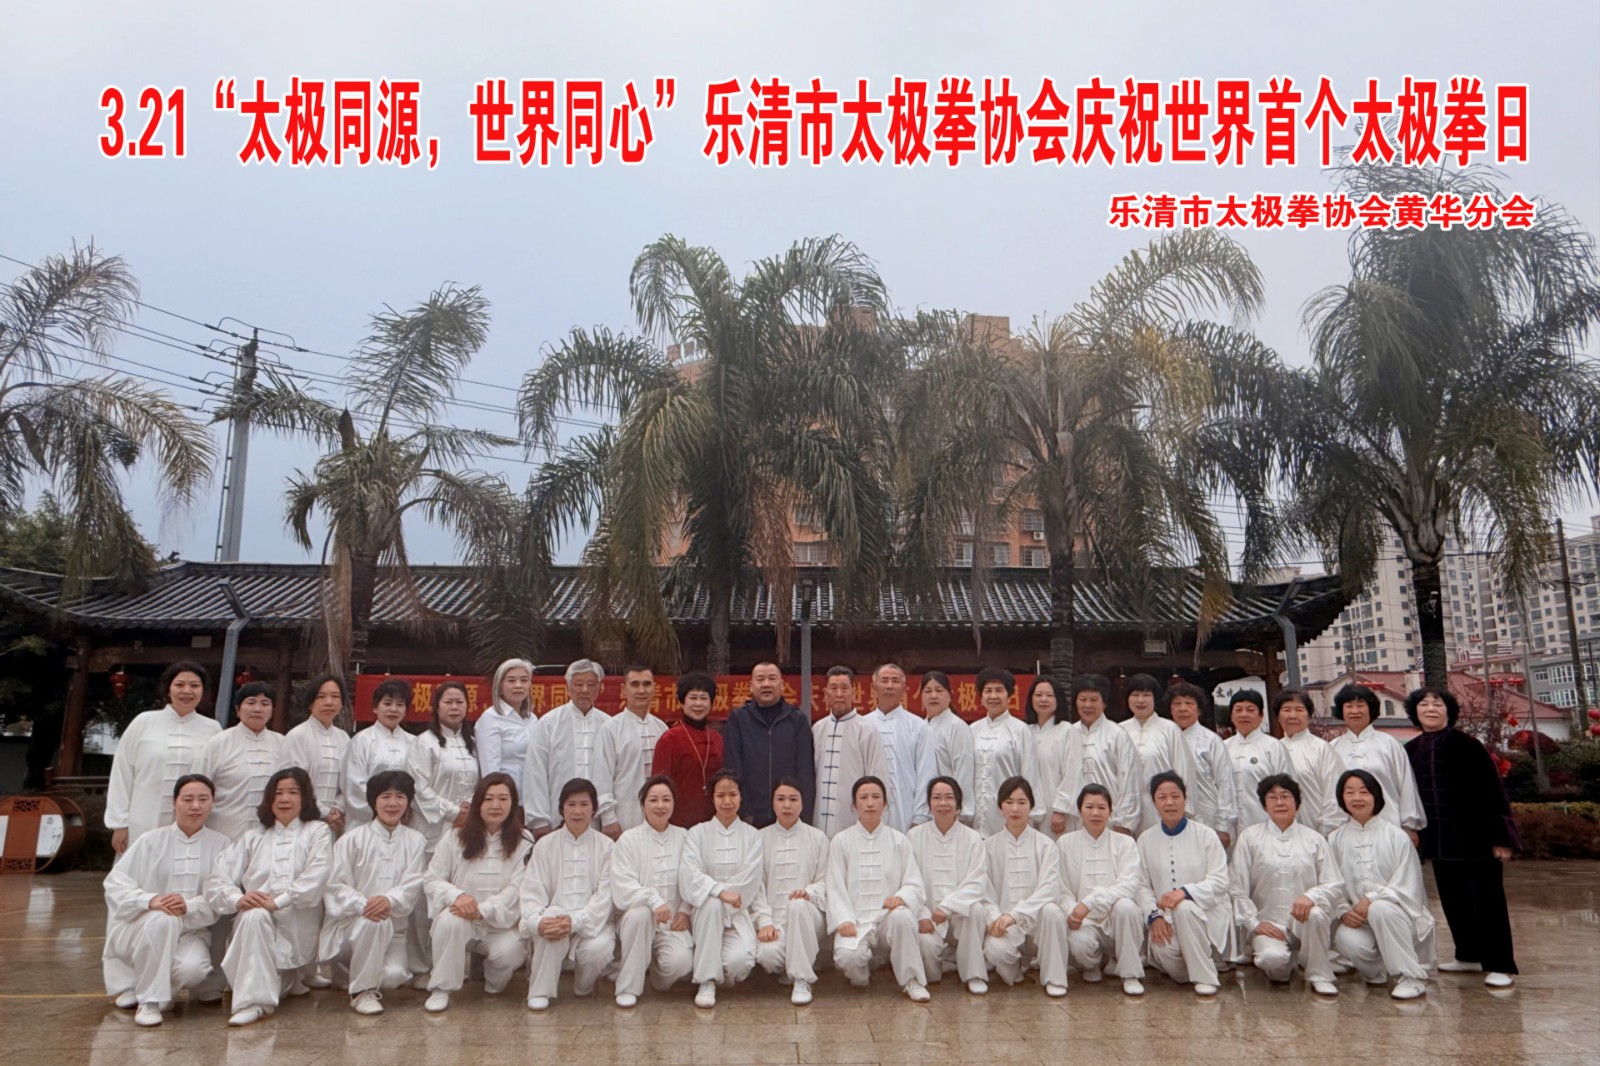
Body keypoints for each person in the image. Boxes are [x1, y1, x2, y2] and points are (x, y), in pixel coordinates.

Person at [1404, 686, 1519, 988]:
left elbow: (1493, 791)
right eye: (1423, 705)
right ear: (1415, 712)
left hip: (1476, 838)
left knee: (1488, 902)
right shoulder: (1410, 750)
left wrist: (1502, 838)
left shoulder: (1468, 745)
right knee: (1453, 900)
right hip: (1438, 840)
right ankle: (1468, 955)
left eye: (1437, 704)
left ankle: (1500, 964)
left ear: (1449, 711)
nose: (1430, 709)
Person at [204, 767, 335, 1026]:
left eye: (293, 792)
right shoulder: (253, 837)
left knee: (278, 976)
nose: (284, 799)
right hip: (253, 926)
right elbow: (216, 879)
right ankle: (253, 1003)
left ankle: (288, 980)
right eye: (278, 793)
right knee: (254, 915)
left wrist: (277, 902)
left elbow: (317, 875)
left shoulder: (317, 831)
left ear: (305, 797)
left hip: (296, 927)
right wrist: (237, 898)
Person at [102, 774, 230, 1026]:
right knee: (164, 919)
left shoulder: (221, 844)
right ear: (174, 803)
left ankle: (157, 991)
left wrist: (188, 906)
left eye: (203, 799)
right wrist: (151, 901)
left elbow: (222, 894)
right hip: (143, 928)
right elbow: (115, 884)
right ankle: (149, 1002)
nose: (195, 806)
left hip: (190, 932)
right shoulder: (150, 841)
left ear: (212, 803)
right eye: (188, 799)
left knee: (194, 970)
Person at [317, 769, 427, 1015]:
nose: (392, 803)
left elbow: (414, 883)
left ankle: (355, 973)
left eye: (400, 796)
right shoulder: (351, 839)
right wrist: (364, 905)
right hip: (351, 926)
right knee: (373, 921)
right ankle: (361, 992)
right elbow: (335, 885)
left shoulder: (416, 840)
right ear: (373, 801)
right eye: (385, 796)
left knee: (393, 977)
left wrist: (388, 900)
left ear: (408, 801)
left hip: (394, 930)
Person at [422, 772, 533, 1012]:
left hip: (500, 922)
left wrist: (482, 910)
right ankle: (441, 988)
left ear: (513, 803)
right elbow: (432, 878)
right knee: (449, 922)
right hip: (462, 916)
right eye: (488, 798)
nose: (495, 805)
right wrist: (457, 897)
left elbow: (518, 887)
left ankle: (492, 982)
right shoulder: (455, 837)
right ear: (478, 803)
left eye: (503, 799)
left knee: (510, 954)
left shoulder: (525, 841)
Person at [1228, 774, 1345, 996]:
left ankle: (1319, 974)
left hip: (1304, 923)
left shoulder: (1314, 839)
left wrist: (1310, 897)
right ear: (1264, 805)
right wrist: (1254, 923)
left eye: (1285, 796)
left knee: (1316, 913)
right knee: (1273, 963)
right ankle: (1289, 957)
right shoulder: (1250, 837)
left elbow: (1334, 883)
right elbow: (1237, 886)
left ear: (1297, 803)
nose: (1279, 802)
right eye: (1272, 797)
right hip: (1269, 924)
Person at [1327, 769, 1433, 1000]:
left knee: (1381, 908)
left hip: (1399, 916)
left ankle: (1411, 977)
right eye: (1349, 792)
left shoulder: (1396, 836)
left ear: (1376, 796)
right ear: (1341, 798)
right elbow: (1331, 883)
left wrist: (1372, 898)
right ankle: (1378, 972)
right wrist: (1343, 911)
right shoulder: (1335, 839)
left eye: (1364, 792)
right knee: (1345, 939)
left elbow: (1409, 884)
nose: (1357, 798)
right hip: (1360, 920)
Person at [826, 775, 931, 1002]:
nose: (870, 803)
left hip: (887, 919)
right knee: (848, 958)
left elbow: (914, 882)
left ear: (885, 804)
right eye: (864, 798)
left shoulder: (899, 840)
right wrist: (843, 919)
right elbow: (834, 886)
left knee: (903, 916)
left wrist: (901, 898)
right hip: (856, 921)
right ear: (854, 806)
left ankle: (911, 980)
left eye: (876, 797)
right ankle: (863, 974)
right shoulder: (840, 841)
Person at [521, 777, 616, 1011]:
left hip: (592, 921)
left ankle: (583, 987)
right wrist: (538, 921)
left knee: (599, 948)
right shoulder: (545, 845)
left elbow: (605, 897)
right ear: (561, 809)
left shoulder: (607, 846)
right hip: (555, 917)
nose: (577, 811)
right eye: (571, 804)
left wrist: (576, 921)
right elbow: (532, 890)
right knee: (552, 918)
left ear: (594, 809)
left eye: (584, 804)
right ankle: (540, 990)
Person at [107, 661, 221, 852]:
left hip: (192, 822)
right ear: (168, 689)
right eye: (179, 684)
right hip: (144, 819)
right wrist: (119, 824)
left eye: (194, 685)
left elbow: (217, 779)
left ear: (203, 691)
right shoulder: (143, 722)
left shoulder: (213, 729)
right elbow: (122, 773)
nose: (187, 691)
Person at [1137, 772, 1230, 996]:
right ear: (1154, 802)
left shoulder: (1206, 835)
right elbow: (1141, 885)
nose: (1169, 802)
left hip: (1205, 915)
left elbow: (1220, 881)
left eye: (1175, 796)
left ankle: (1205, 977)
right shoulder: (1145, 839)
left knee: (1185, 907)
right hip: (1166, 919)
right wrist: (1154, 916)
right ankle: (1197, 967)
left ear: (1185, 799)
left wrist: (1185, 892)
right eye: (1162, 797)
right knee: (1163, 951)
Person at [682, 770, 765, 1007]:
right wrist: (719, 892)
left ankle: (711, 966)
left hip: (737, 914)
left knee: (739, 964)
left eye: (732, 795)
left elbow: (751, 878)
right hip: (704, 914)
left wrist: (723, 897)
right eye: (720, 795)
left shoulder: (753, 835)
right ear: (712, 798)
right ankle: (706, 980)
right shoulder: (696, 833)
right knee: (711, 904)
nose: (727, 801)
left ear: (740, 797)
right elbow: (689, 873)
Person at [610, 775, 693, 1008]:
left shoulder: (685, 837)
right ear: (642, 805)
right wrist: (653, 900)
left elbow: (693, 878)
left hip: (672, 923)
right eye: (653, 800)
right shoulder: (628, 840)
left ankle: (656, 977)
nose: (660, 805)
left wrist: (685, 910)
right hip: (637, 922)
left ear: (674, 804)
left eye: (666, 799)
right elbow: (622, 884)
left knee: (680, 964)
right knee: (641, 914)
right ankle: (628, 987)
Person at [982, 776, 1069, 997]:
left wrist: (1016, 915)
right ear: (1000, 806)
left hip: (1038, 922)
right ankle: (1015, 972)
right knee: (994, 950)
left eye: (1022, 802)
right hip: (1005, 923)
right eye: (1009, 802)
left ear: (1031, 806)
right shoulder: (988, 847)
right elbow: (985, 891)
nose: (1015, 808)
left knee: (1053, 911)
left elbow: (1049, 888)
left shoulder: (1046, 845)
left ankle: (1054, 978)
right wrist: (995, 918)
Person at [1059, 784, 1147, 997]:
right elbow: (1061, 888)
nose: (1095, 813)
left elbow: (1129, 884)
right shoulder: (1065, 843)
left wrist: (1089, 903)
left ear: (1110, 811)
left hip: (1115, 917)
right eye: (1089, 807)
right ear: (1080, 810)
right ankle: (1091, 966)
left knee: (1127, 907)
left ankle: (1129, 973)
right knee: (1079, 944)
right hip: (1084, 920)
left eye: (1101, 807)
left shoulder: (1125, 843)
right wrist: (1072, 912)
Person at [907, 776, 990, 995]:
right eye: (937, 798)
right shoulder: (914, 836)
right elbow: (910, 880)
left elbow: (977, 882)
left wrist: (948, 907)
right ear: (929, 804)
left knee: (976, 908)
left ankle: (974, 974)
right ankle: (942, 966)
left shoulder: (973, 838)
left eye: (949, 798)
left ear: (959, 804)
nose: (943, 803)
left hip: (960, 913)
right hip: (928, 914)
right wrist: (922, 914)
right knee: (928, 957)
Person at [753, 778, 831, 1005]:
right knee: (768, 957)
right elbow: (756, 887)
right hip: (774, 921)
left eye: (793, 799)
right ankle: (795, 963)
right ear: (773, 803)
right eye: (781, 799)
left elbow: (827, 880)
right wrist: (765, 922)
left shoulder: (818, 837)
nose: (787, 805)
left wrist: (809, 893)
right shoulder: (759, 838)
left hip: (810, 917)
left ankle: (801, 978)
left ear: (803, 803)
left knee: (797, 905)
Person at [524, 659, 615, 837]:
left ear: (599, 688)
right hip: (556, 818)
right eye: (578, 684)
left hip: (598, 820)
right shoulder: (549, 723)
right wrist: (540, 821)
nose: (584, 690)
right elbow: (535, 772)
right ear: (568, 687)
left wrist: (609, 817)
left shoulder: (608, 724)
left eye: (591, 684)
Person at [722, 661, 814, 827]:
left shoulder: (797, 720)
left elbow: (805, 770)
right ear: (751, 686)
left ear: (782, 685)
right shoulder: (738, 719)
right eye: (760, 679)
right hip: (749, 818)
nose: (766, 684)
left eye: (772, 678)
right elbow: (733, 767)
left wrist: (803, 813)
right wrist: (744, 811)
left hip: (788, 814)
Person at [1328, 684, 1425, 839]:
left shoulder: (1389, 744)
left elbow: (1406, 784)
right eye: (1349, 706)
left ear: (1371, 709)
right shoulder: (1332, 748)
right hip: (1345, 830)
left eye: (1360, 705)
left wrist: (1409, 825)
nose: (1355, 711)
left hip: (1389, 825)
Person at [191, 682, 286, 841]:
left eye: (265, 704)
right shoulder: (218, 743)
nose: (257, 709)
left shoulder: (282, 744)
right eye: (251, 702)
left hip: (270, 836)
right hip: (224, 833)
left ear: (272, 711)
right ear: (237, 709)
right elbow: (196, 787)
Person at [1050, 675, 1141, 836]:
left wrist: (1124, 823)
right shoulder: (1068, 733)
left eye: (1093, 700)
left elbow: (1129, 781)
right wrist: (1059, 809)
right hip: (1074, 819)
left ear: (1104, 703)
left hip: (1111, 819)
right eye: (1083, 699)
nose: (1087, 705)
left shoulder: (1117, 735)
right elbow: (1060, 776)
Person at [862, 663, 940, 834]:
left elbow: (926, 774)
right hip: (867, 812)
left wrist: (919, 819)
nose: (890, 686)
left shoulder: (919, 727)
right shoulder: (862, 725)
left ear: (904, 689)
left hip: (907, 813)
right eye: (884, 681)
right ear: (873, 688)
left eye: (895, 681)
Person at [812, 665, 889, 838]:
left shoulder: (867, 730)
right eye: (833, 688)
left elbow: (877, 776)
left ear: (854, 692)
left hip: (853, 821)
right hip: (818, 822)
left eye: (844, 688)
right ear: (825, 693)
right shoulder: (817, 729)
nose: (839, 694)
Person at [1118, 673, 1199, 835]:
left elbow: (1184, 772)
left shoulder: (1169, 730)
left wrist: (1184, 812)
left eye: (1146, 695)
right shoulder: (1119, 731)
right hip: (1123, 812)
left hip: (1161, 810)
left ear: (1155, 698)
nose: (1141, 700)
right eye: (1135, 695)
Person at [406, 681, 481, 856]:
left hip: (466, 825)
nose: (454, 707)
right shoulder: (424, 742)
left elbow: (480, 783)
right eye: (448, 702)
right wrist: (453, 812)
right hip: (430, 827)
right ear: (437, 707)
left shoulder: (474, 744)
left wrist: (470, 807)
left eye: (459, 702)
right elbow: (417, 788)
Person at [1167, 682, 1239, 847]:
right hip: (1171, 816)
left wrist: (1223, 826)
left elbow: (1225, 783)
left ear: (1199, 710)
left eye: (1189, 703)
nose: (1182, 709)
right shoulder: (1165, 739)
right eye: (1177, 704)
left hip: (1208, 817)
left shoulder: (1211, 741)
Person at [280, 674, 351, 835]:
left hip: (334, 822)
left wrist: (338, 808)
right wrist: (324, 812)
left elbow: (348, 780)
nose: (329, 702)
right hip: (302, 820)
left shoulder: (343, 738)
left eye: (335, 696)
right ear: (310, 703)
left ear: (341, 703)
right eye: (321, 696)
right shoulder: (298, 735)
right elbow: (294, 782)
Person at [651, 672, 723, 828]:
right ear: (682, 702)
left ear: (711, 703)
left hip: (713, 820)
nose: (698, 704)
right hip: (678, 821)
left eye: (704, 698)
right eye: (693, 698)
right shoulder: (669, 738)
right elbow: (659, 784)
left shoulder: (716, 738)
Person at [605, 665, 670, 833]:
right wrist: (608, 818)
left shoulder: (662, 728)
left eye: (646, 684)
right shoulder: (611, 728)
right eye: (634, 684)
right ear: (623, 690)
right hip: (623, 817)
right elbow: (602, 777)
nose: (641, 690)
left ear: (654, 688)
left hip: (659, 815)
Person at [342, 679, 415, 828]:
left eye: (400, 704)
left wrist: (404, 811)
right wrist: (382, 812)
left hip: (405, 822)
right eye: (387, 703)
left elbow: (420, 783)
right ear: (375, 707)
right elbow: (353, 785)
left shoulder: (415, 743)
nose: (393, 709)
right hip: (366, 822)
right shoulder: (361, 741)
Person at [1273, 689, 1346, 836]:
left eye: (1299, 710)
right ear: (1278, 716)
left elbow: (1334, 794)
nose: (1292, 715)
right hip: (1277, 835)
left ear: (1309, 716)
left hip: (1317, 833)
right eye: (1286, 710)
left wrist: (1327, 833)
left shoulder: (1322, 749)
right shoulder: (1272, 749)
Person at [1222, 690, 1291, 840]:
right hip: (1230, 830)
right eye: (1238, 710)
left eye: (1250, 710)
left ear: (1261, 715)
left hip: (1266, 826)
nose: (1244, 714)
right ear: (1231, 716)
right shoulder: (1222, 747)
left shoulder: (1274, 747)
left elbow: (1287, 789)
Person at [920, 671, 976, 826]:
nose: (933, 696)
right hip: (924, 811)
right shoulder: (919, 728)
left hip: (950, 810)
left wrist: (960, 810)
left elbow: (963, 770)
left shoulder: (957, 727)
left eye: (939, 690)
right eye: (928, 691)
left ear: (950, 695)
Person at [475, 658, 537, 792]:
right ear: (500, 686)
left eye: (524, 680)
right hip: (506, 796)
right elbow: (490, 769)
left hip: (533, 794)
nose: (518, 685)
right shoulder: (490, 719)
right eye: (511, 681)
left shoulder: (533, 719)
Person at [1024, 676, 1072, 837]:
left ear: (1058, 699)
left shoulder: (1066, 730)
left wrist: (1060, 809)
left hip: (1056, 809)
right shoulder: (1026, 731)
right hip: (1028, 809)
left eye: (1049, 695)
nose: (1043, 699)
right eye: (1038, 695)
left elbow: (1072, 774)